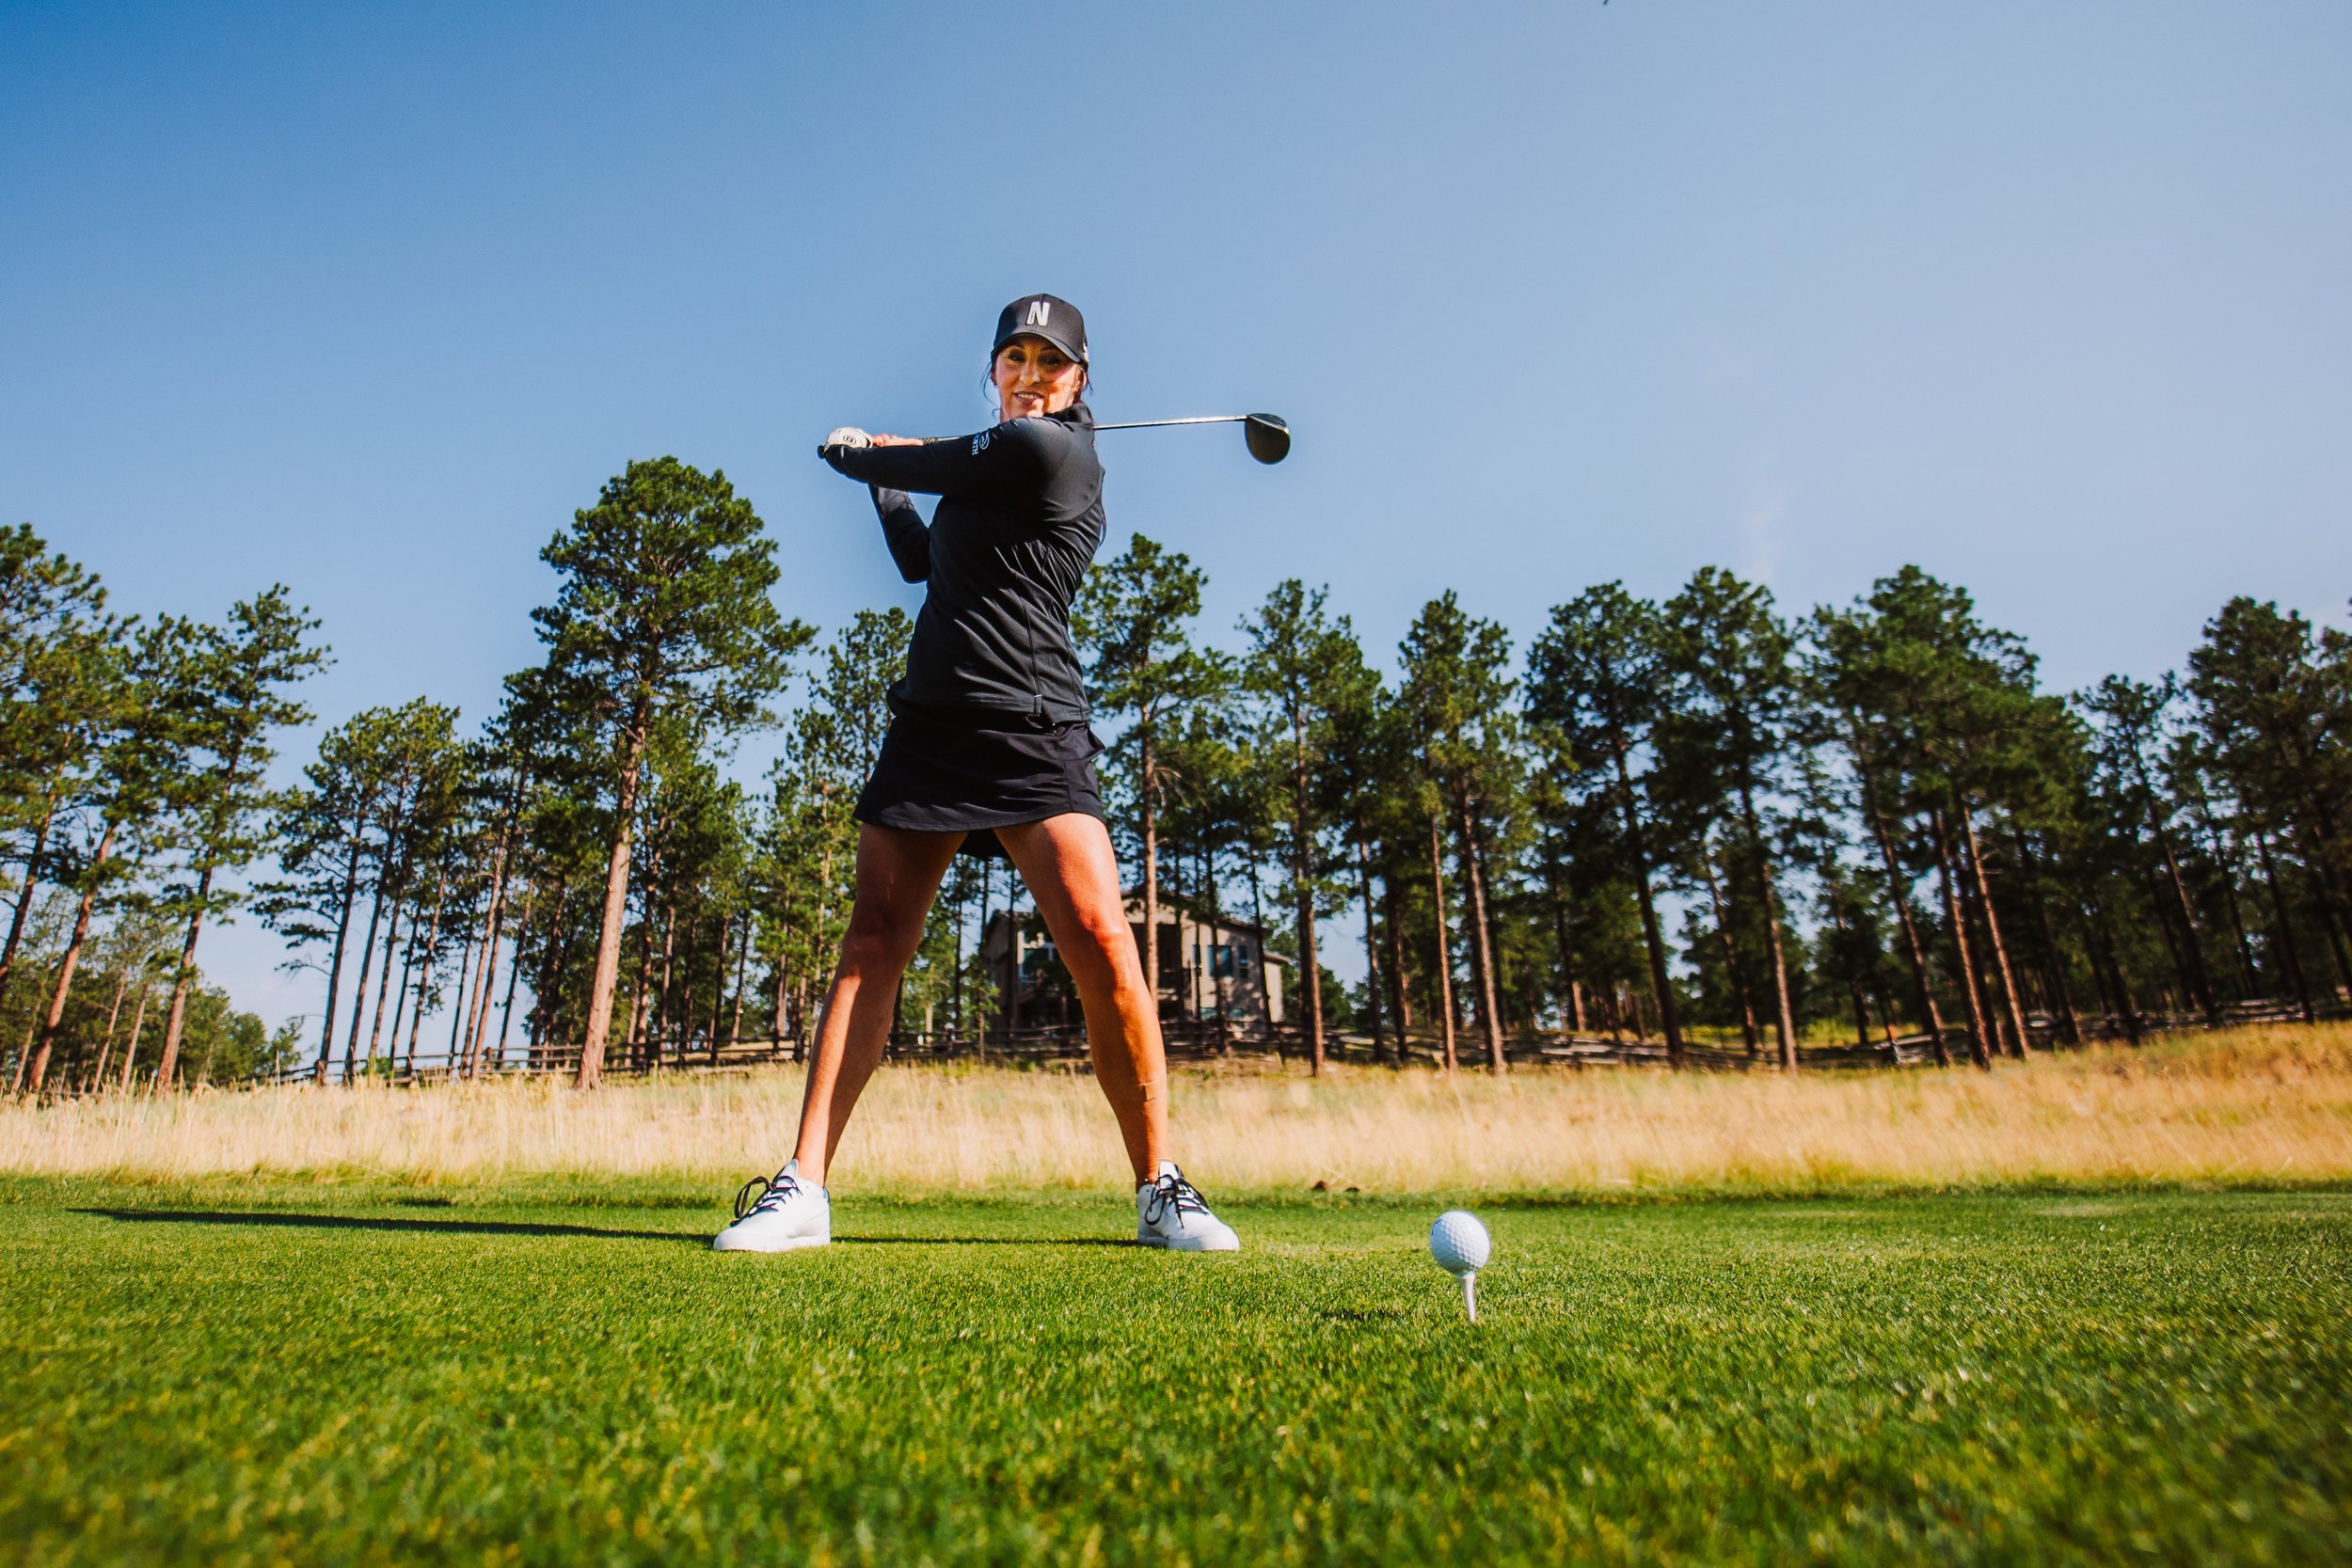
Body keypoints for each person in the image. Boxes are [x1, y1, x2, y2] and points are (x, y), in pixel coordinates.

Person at [712, 293, 1239, 1255]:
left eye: (1051, 362)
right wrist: (885, 485)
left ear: (1080, 381)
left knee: (1099, 940)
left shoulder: (1059, 455)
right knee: (872, 942)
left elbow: (936, 457)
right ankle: (801, 1187)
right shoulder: (978, 471)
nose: (1030, 374)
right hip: (932, 725)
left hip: (1032, 724)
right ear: (994, 373)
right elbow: (922, 558)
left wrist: (857, 455)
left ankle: (1161, 1187)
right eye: (1014, 359)